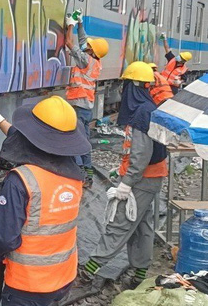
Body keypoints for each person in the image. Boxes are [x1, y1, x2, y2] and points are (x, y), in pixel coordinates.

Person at [0, 92, 89, 306]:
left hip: (27, 286)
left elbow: (5, 239)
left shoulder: (22, 181)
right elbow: (41, 147)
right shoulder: (74, 174)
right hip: (62, 278)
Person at [79, 61, 167, 289]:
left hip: (142, 180)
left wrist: (126, 183)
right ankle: (140, 272)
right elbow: (137, 152)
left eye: (125, 85)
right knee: (142, 226)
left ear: (132, 86)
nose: (122, 90)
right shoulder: (149, 108)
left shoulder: (141, 114)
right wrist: (120, 170)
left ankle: (90, 269)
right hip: (150, 178)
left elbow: (140, 155)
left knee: (120, 223)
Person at [64, 11, 109, 188]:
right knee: (84, 142)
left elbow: (69, 43)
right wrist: (81, 24)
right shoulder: (94, 61)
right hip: (86, 107)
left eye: (90, 47)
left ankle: (80, 175)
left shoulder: (84, 60)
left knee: (76, 142)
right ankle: (87, 176)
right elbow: (84, 42)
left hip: (78, 106)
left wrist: (70, 25)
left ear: (92, 51)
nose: (87, 46)